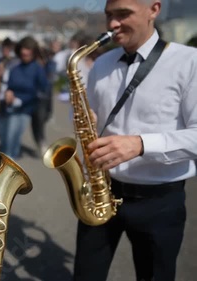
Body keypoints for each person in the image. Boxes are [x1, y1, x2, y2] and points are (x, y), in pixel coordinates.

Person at [74, 0, 197, 280]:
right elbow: (90, 117)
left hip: (159, 201)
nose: (112, 24)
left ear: (154, 9)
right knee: (85, 274)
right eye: (109, 15)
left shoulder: (190, 62)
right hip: (101, 190)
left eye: (123, 14)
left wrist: (140, 144)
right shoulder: (102, 63)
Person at [0, 36, 48, 159]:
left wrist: (21, 100)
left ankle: (10, 167)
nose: (25, 52)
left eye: (28, 49)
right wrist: (8, 93)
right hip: (7, 107)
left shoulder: (38, 69)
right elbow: (7, 84)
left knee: (11, 141)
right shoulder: (15, 67)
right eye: (23, 49)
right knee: (4, 138)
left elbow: (42, 91)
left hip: (24, 109)